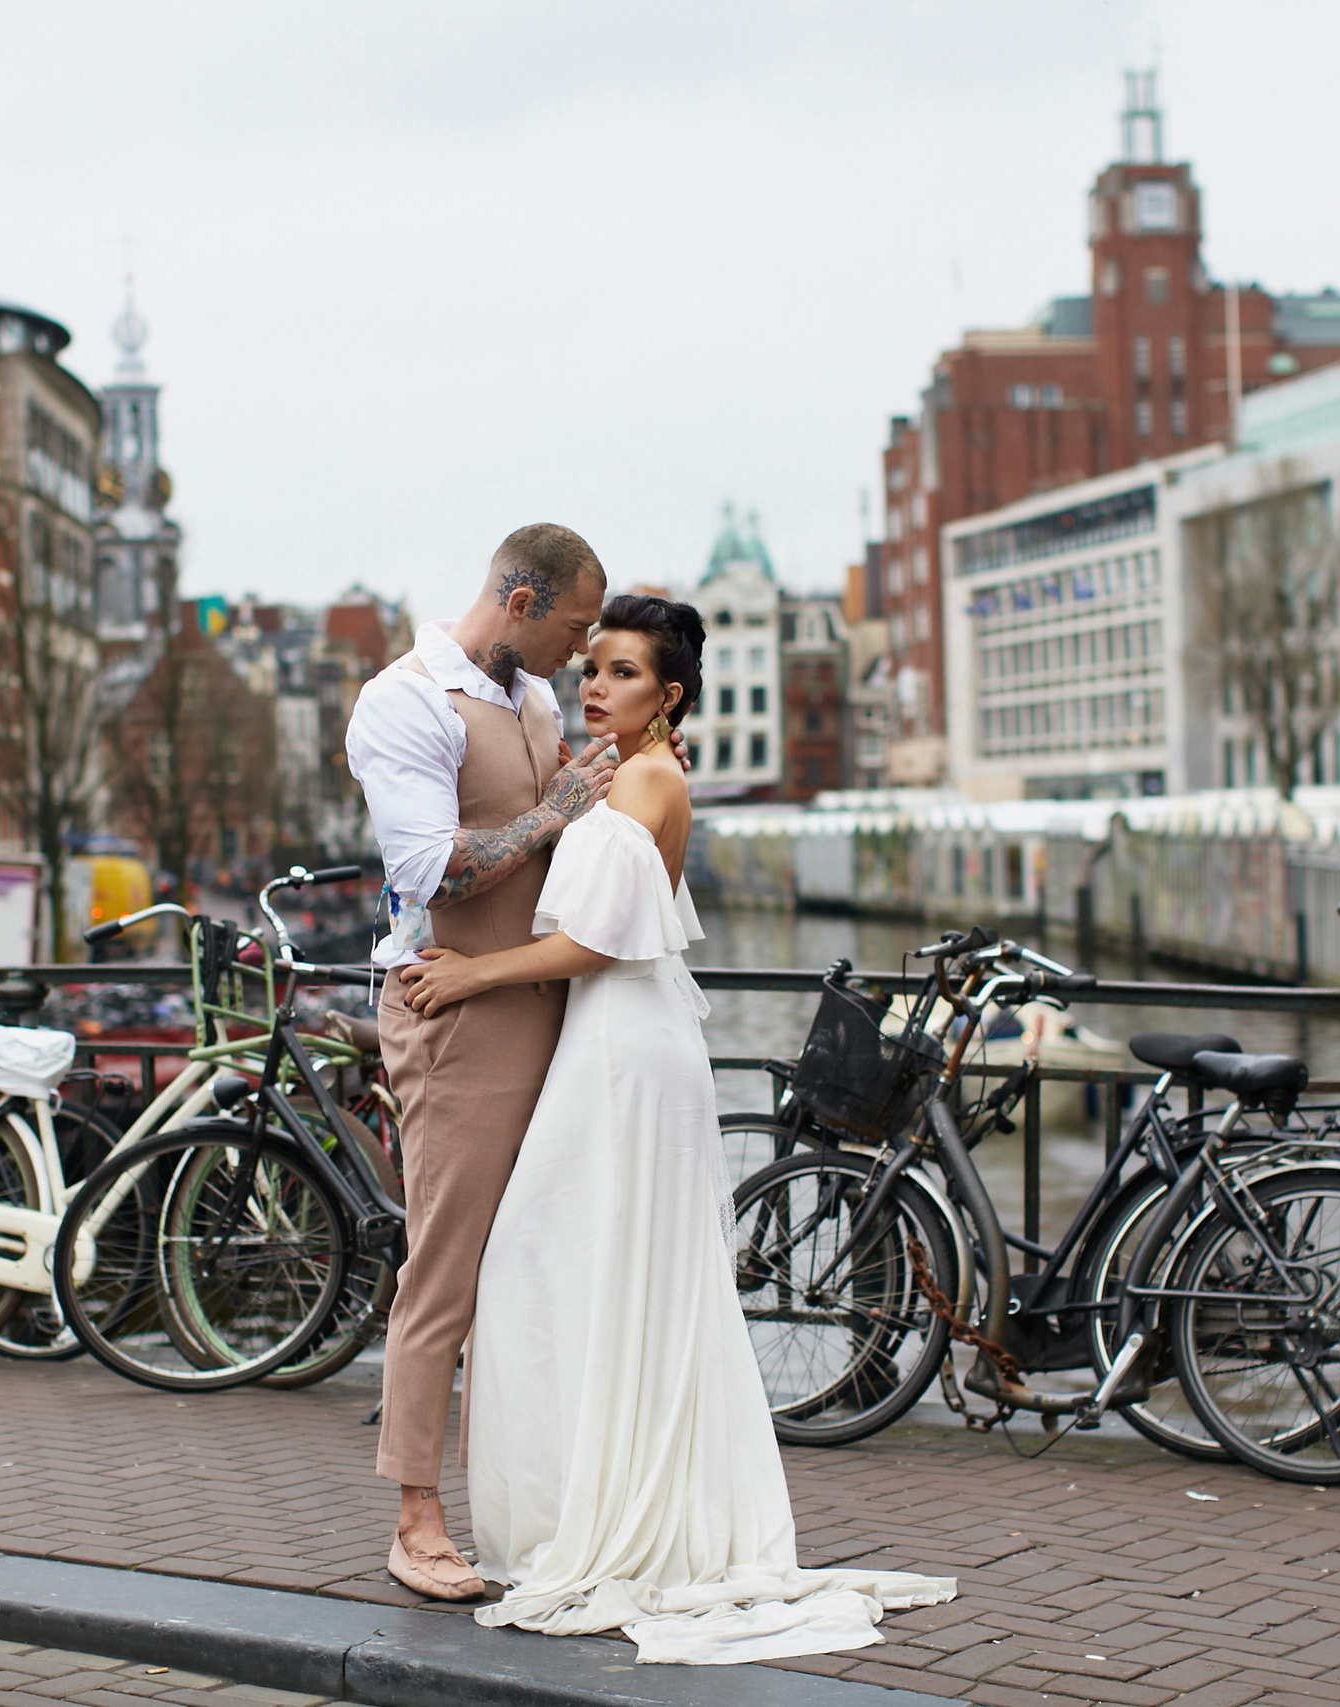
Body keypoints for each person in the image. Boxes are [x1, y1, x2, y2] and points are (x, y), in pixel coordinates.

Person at [395, 595, 955, 1665]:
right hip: (616, 1041)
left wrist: (472, 974)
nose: (593, 686)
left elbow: (598, 945)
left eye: (620, 674)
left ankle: (607, 1510)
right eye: (591, 667)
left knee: (540, 1260)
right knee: (591, 1267)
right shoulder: (625, 767)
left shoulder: (648, 777)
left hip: (621, 1040)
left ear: (669, 697)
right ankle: (596, 1495)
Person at [345, 523, 631, 1601]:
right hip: (457, 1009)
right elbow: (429, 870)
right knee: (447, 1265)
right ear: (518, 602)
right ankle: (414, 1514)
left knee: (540, 1259)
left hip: (546, 998)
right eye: (570, 626)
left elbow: (565, 829)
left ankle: (528, 1496)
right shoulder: (405, 700)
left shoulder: (537, 701)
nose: (579, 646)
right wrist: (556, 809)